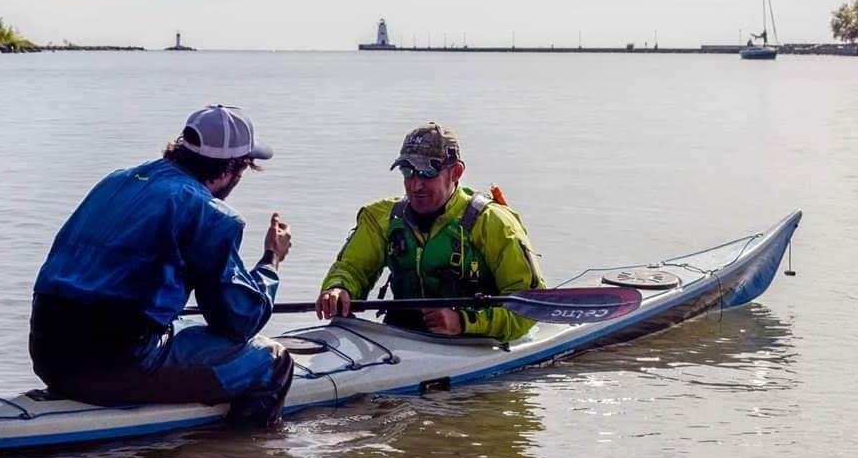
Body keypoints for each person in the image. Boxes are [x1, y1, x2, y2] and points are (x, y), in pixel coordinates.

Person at [30, 105, 295, 427]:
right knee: (273, 362)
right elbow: (238, 321)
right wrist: (272, 260)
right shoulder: (211, 214)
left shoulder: (117, 181)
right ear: (230, 168)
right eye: (242, 170)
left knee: (177, 324)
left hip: (47, 357)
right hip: (115, 366)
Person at [315, 123, 544, 343]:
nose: (415, 185)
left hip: (477, 342)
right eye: (407, 172)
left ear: (456, 172)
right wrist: (338, 288)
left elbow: (531, 307)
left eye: (426, 173)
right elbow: (351, 269)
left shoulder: (494, 224)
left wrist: (463, 322)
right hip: (403, 338)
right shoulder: (381, 219)